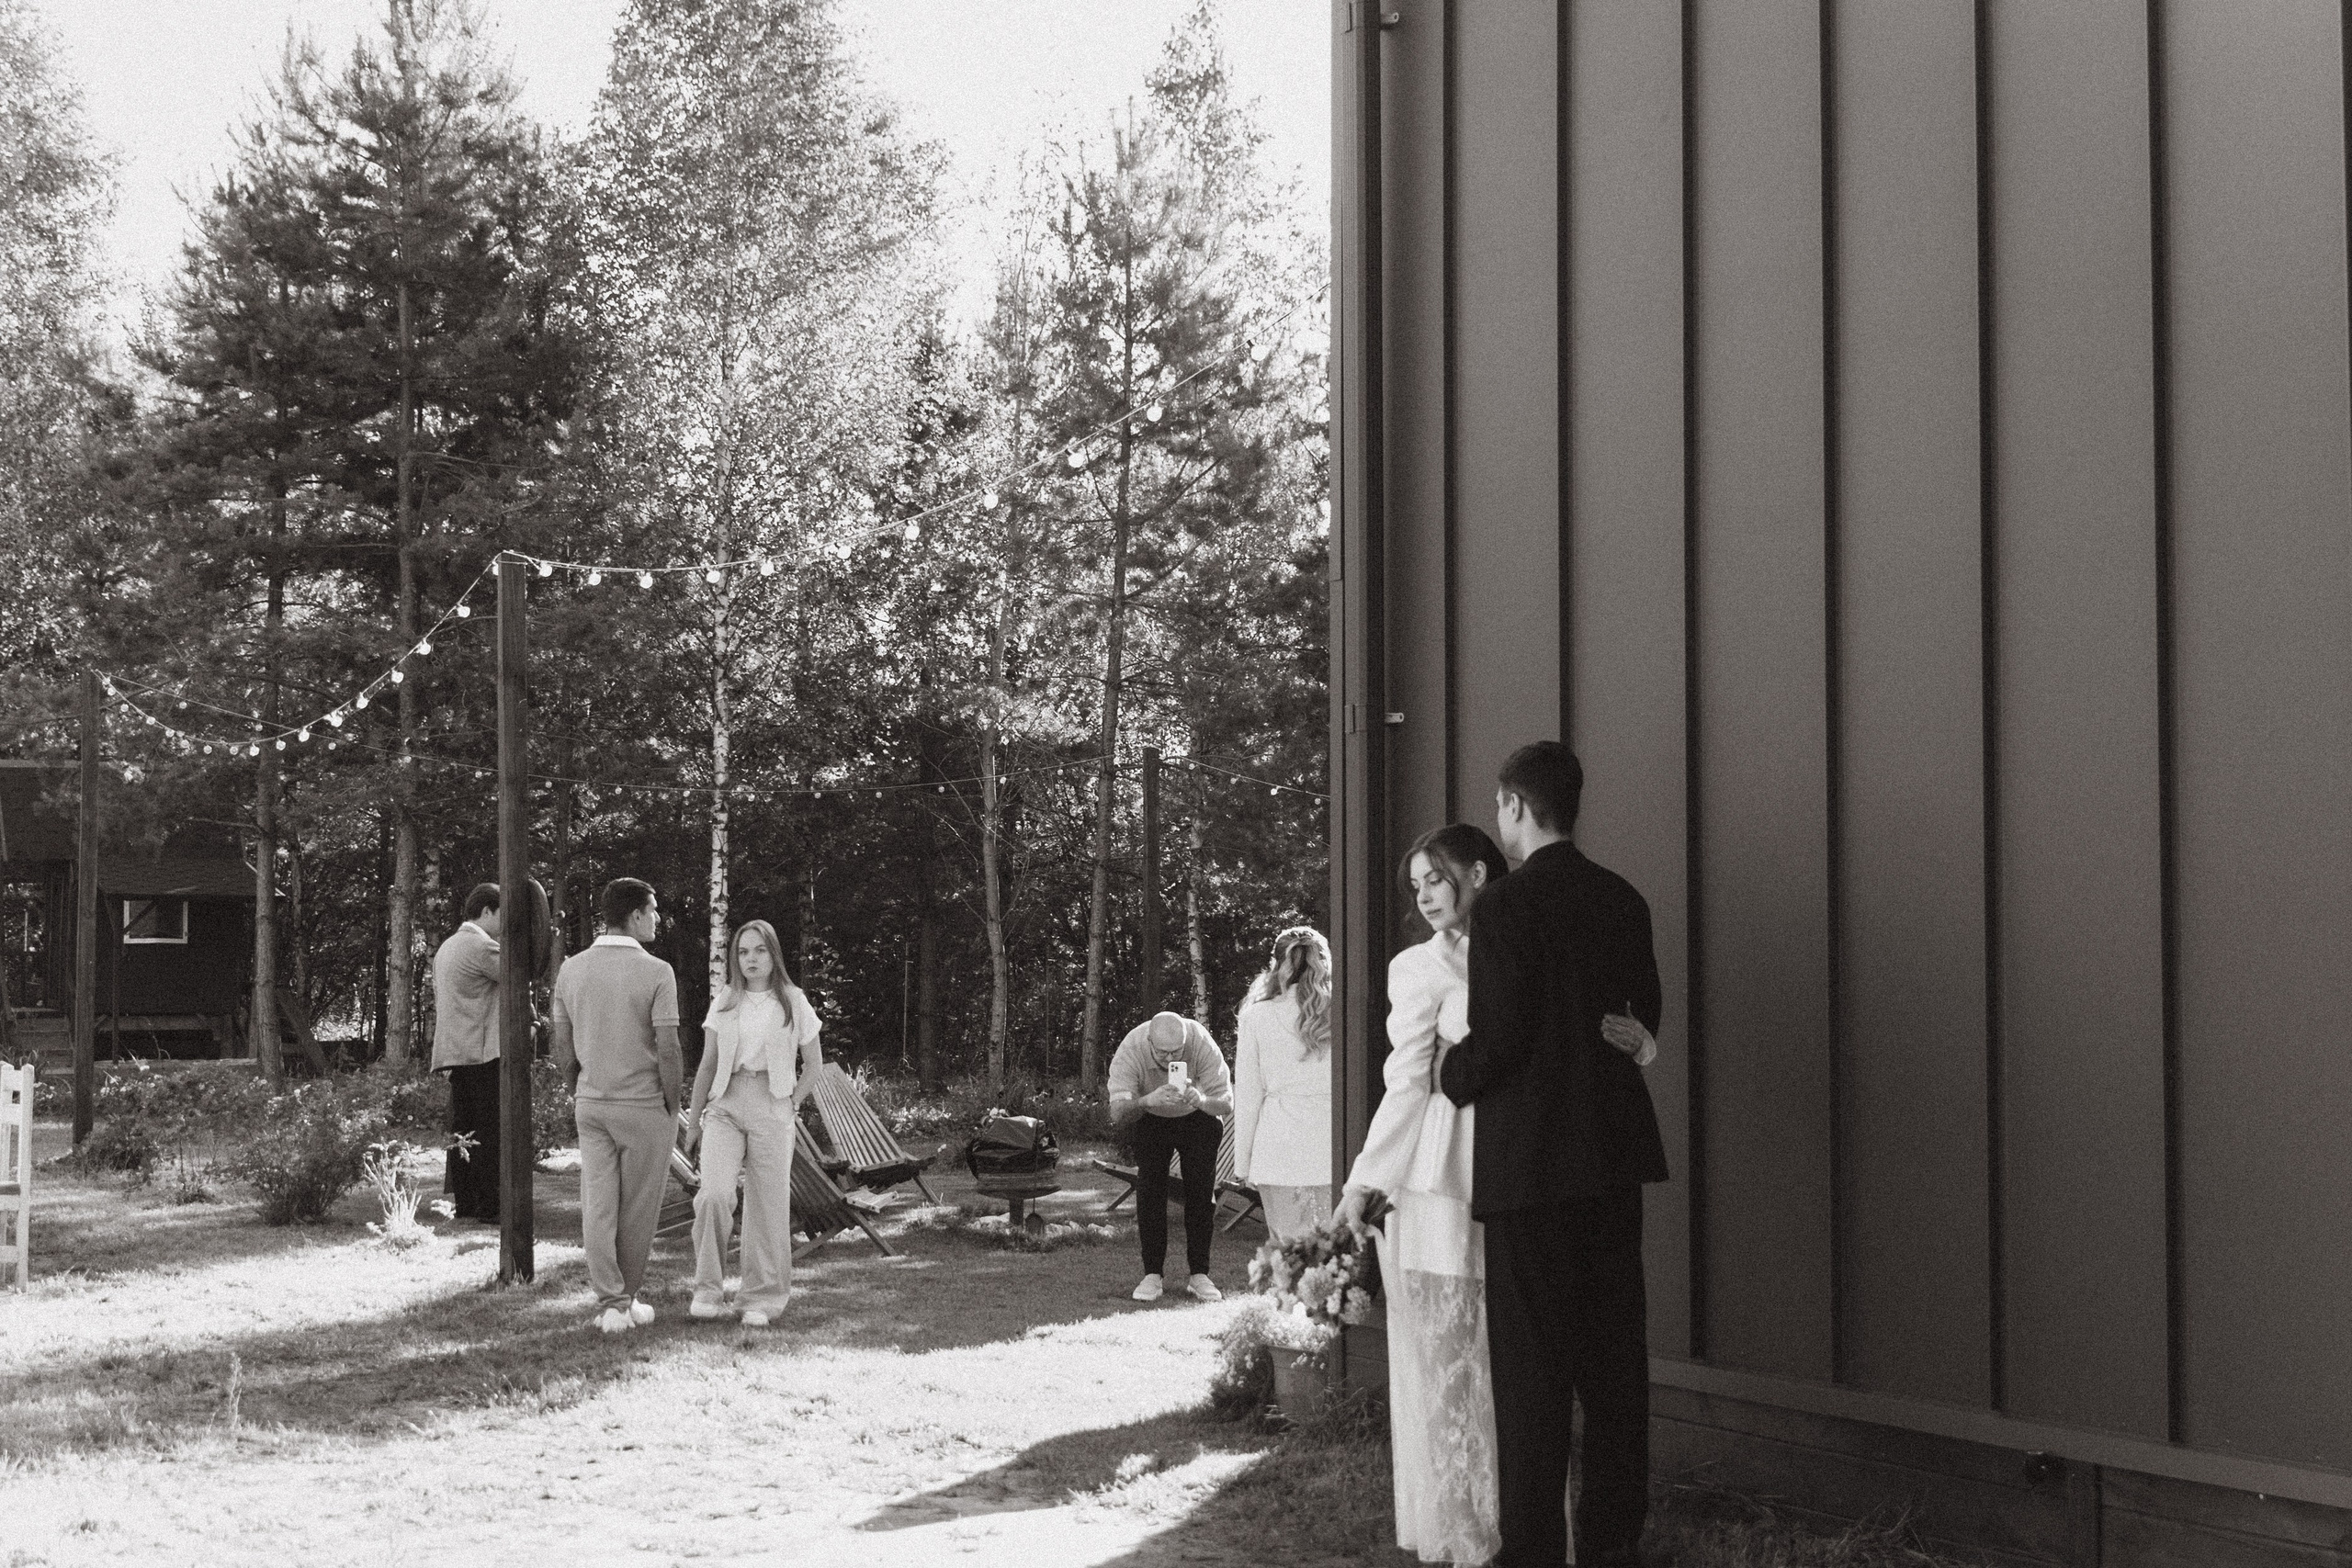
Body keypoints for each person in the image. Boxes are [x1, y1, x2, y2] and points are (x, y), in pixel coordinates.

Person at [1438, 743, 1668, 1568]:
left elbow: (1501, 1039)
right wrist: (1637, 1044)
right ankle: (1611, 1544)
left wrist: (1448, 1070)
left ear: (1512, 804)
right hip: (1612, 1163)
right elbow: (1644, 1018)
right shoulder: (1624, 899)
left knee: (1533, 1372)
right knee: (1614, 1366)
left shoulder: (1504, 907)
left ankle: (1530, 1548)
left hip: (1533, 1169)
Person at [550, 878, 683, 1336]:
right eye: (654, 909)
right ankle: (622, 1303)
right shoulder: (657, 972)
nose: (659, 918)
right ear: (636, 916)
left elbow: (562, 1046)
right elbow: (668, 1048)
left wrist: (579, 1089)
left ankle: (611, 1302)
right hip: (644, 1105)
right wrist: (673, 1101)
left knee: (599, 1204)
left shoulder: (570, 969)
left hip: (591, 1103)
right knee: (639, 1210)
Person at [682, 919, 823, 1327]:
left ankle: (762, 1299)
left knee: (767, 1206)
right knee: (714, 1195)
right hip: (725, 1105)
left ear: (773, 953)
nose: (751, 959)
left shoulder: (793, 1001)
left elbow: (813, 1066)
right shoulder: (725, 999)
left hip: (773, 1104)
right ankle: (707, 1290)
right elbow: (707, 1064)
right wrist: (694, 1123)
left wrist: (789, 1103)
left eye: (759, 950)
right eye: (743, 952)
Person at [1106, 1010, 1235, 1303]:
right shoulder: (1131, 1048)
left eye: (1176, 1051)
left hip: (1197, 1118)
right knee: (1150, 1192)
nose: (1170, 1058)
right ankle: (1152, 1275)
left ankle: (1199, 1275)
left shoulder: (1201, 1042)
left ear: (1186, 1040)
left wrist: (1201, 1100)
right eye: (1162, 1052)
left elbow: (1226, 1103)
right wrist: (1147, 1100)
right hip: (1151, 1116)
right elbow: (1117, 1113)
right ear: (1149, 1039)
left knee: (1201, 1195)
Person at [1231, 926, 1335, 1238]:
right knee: (1337, 1255)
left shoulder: (1256, 1016)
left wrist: (1243, 1164)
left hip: (1278, 1147)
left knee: (1289, 1253)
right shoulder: (1344, 1012)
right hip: (1334, 1144)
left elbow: (1249, 1095)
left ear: (1276, 964)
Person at [429, 884, 504, 1224]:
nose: (505, 924)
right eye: (503, 915)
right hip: (480, 1053)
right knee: (488, 1132)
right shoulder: (480, 945)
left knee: (464, 1134)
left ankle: (467, 1203)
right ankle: (490, 1208)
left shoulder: (447, 946)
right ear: (487, 911)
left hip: (456, 1053)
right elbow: (520, 972)